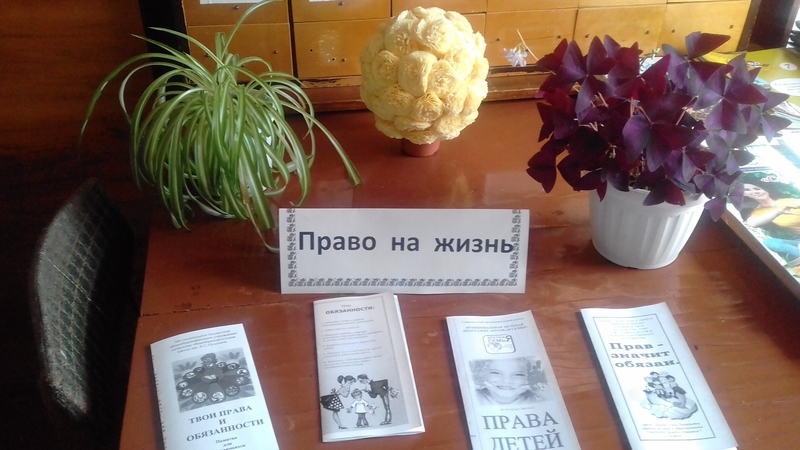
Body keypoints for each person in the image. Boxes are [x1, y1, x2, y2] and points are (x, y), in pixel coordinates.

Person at [741, 181, 800, 266]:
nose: (755, 191)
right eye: (747, 190)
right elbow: (752, 223)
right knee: (769, 242)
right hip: (798, 240)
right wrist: (778, 212)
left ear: (766, 191)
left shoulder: (787, 201)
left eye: (757, 188)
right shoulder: (757, 212)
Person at [473, 357, 545, 405]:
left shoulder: (538, 400)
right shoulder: (474, 397)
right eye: (496, 373)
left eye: (518, 374)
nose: (507, 381)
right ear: (482, 374)